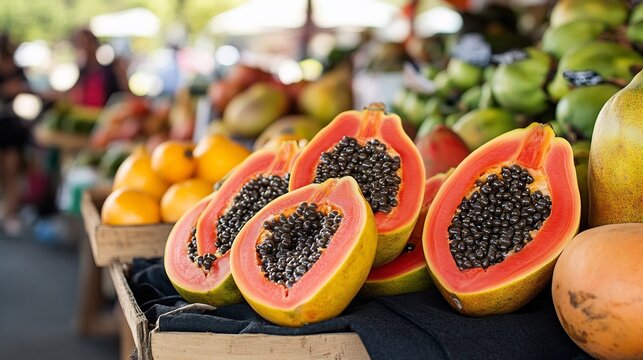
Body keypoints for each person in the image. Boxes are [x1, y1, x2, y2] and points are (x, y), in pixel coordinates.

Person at [0, 32, 30, 235]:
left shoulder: (15, 67)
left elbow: (27, 87)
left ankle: (9, 213)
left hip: (9, 125)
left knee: (12, 171)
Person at [67, 28, 128, 108]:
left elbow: (125, 93)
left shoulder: (112, 68)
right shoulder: (82, 72)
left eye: (84, 43)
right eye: (79, 44)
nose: (83, 48)